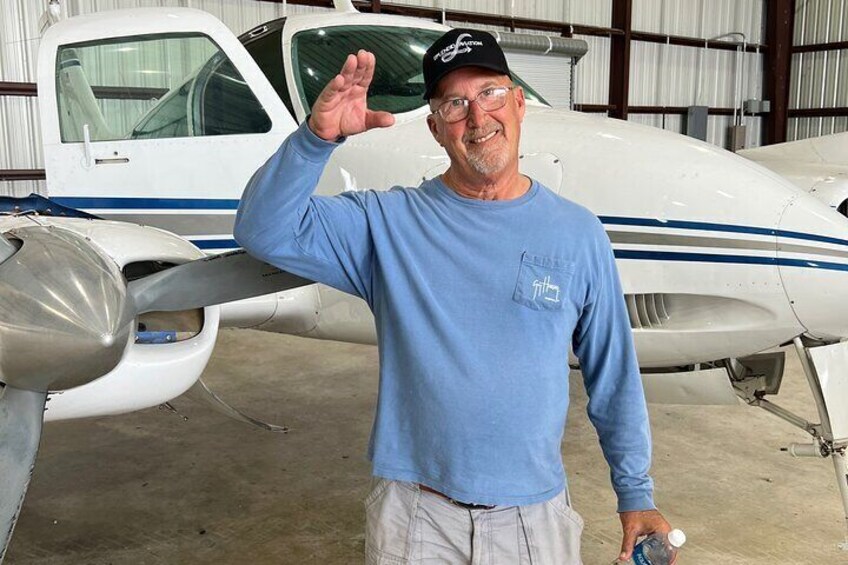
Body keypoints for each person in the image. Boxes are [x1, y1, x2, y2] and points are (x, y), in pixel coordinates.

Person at [234, 28, 672, 565]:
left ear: (518, 102)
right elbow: (263, 229)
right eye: (455, 104)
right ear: (437, 128)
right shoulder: (388, 224)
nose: (477, 117)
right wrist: (315, 138)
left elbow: (614, 375)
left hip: (533, 518)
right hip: (416, 518)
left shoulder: (577, 234)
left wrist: (636, 493)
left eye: (489, 93)